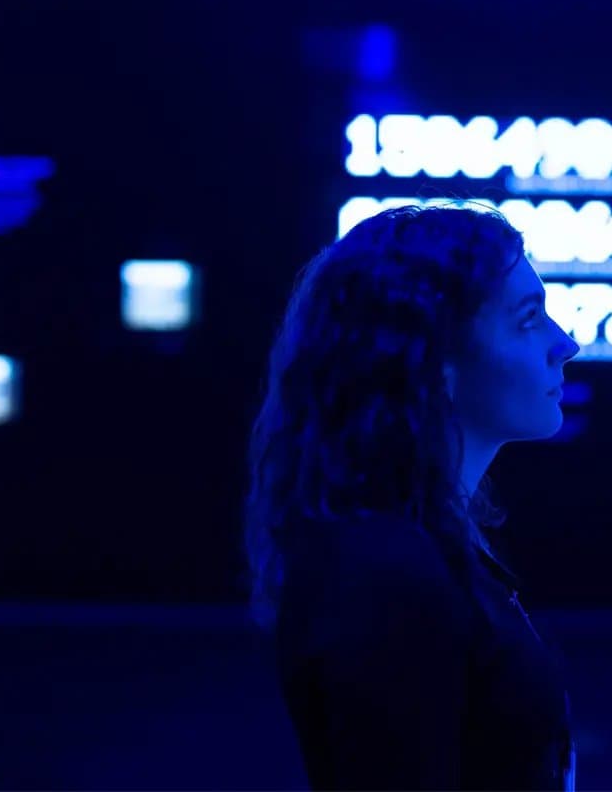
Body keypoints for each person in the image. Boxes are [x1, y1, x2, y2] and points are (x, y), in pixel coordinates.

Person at [244, 203, 583, 790]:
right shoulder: (384, 572)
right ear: (434, 361)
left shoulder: (421, 548)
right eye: (529, 320)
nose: (566, 344)